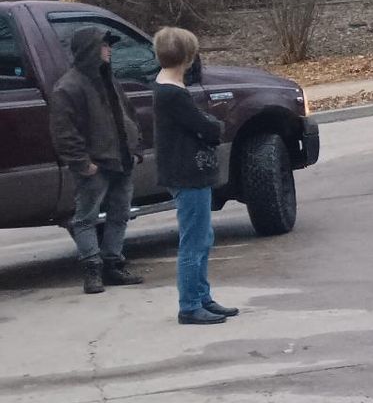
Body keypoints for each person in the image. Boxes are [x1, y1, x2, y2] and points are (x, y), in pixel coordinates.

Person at [48, 27, 144, 295]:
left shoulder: (109, 79)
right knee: (85, 218)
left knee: (120, 214)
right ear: (90, 49)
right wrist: (82, 163)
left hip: (122, 160)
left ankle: (113, 264)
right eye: (104, 44)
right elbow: (63, 131)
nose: (109, 49)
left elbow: (129, 114)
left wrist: (136, 148)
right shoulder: (69, 86)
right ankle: (92, 267)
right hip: (95, 165)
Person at [151, 29, 236, 325]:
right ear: (188, 57)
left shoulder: (169, 85)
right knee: (194, 242)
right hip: (186, 173)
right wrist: (215, 124)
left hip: (187, 172)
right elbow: (204, 126)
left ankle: (202, 296)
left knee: (203, 236)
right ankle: (189, 304)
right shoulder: (172, 94)